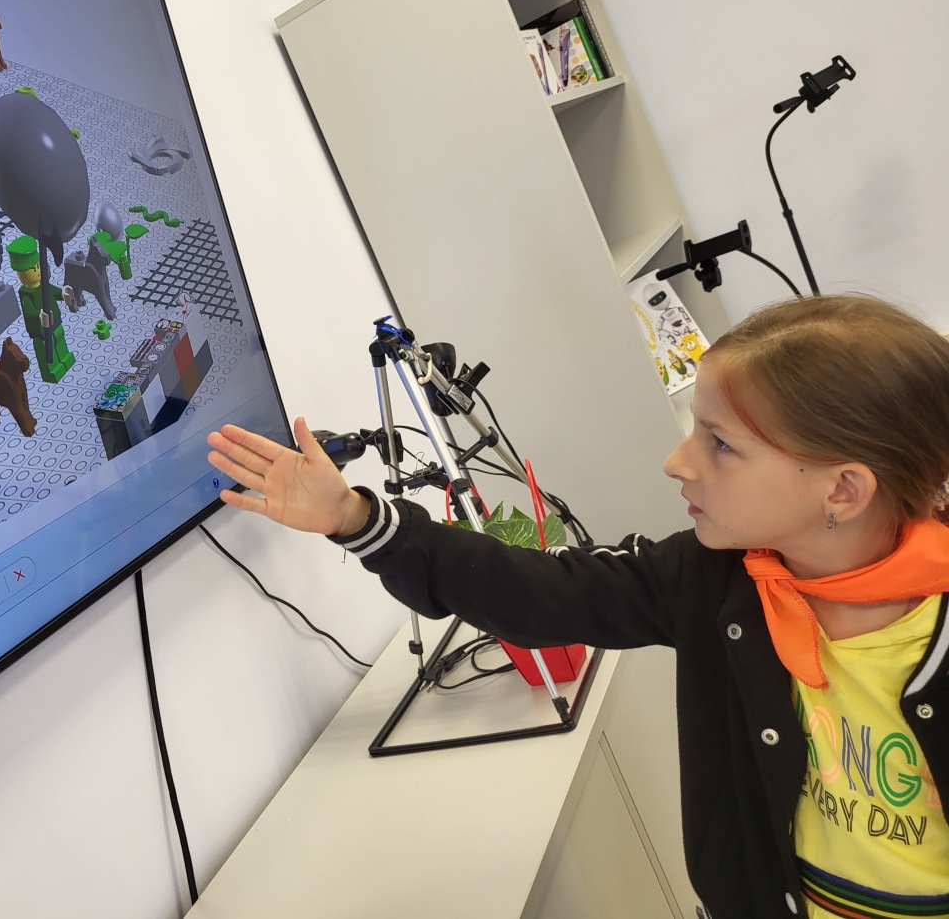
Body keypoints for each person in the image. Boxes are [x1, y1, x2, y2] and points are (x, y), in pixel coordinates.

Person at [206, 293, 949, 919]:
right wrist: (357, 520)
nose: (677, 461)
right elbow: (542, 590)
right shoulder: (715, 579)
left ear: (843, 489)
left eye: (720, 444)